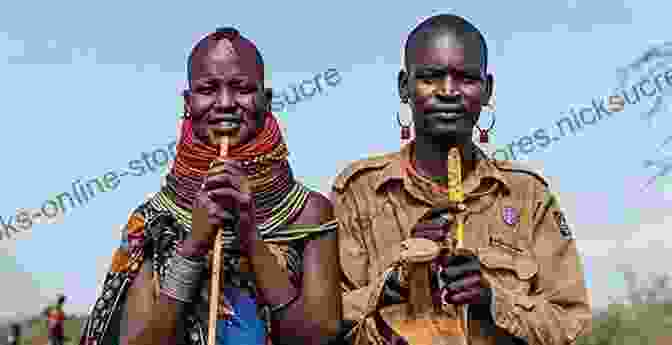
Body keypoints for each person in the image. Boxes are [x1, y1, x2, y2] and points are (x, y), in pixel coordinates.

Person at [332, 14, 592, 345]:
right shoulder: (358, 192)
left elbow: (572, 324)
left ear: (487, 90)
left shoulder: (527, 195)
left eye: (466, 78)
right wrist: (397, 281)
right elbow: (326, 324)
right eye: (430, 77)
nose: (448, 91)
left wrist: (492, 300)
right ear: (404, 87)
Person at [78, 27, 343, 345]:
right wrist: (193, 246)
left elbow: (321, 339)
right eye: (208, 89)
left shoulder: (310, 214)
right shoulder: (153, 223)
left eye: (242, 88)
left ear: (266, 100)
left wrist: (251, 237)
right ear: (188, 102)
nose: (226, 103)